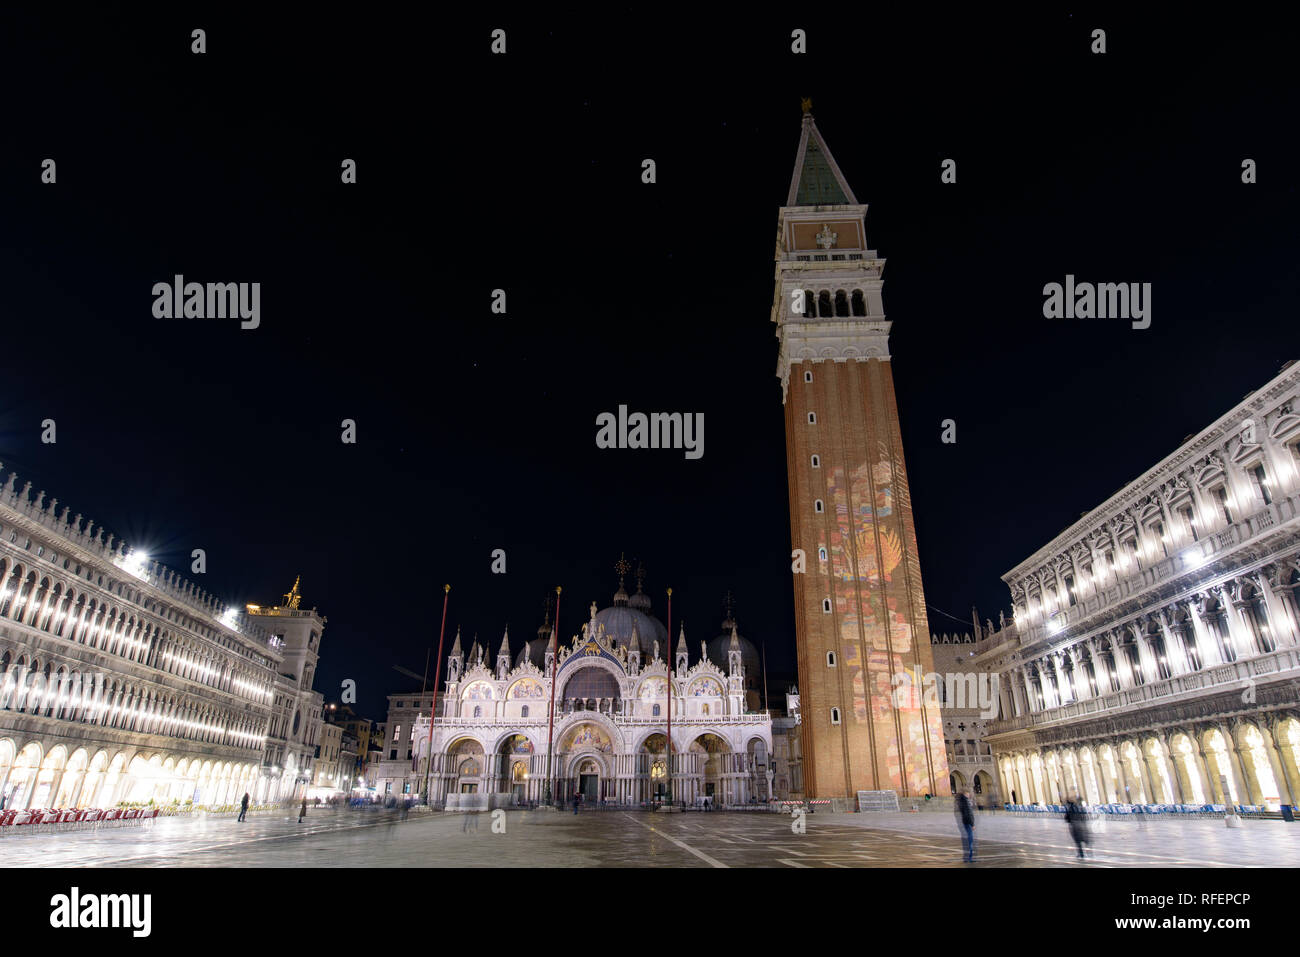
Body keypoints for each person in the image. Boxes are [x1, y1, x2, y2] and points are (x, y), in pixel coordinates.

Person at [954, 788, 976, 862]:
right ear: (966, 794)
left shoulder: (961, 801)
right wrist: (972, 824)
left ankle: (967, 856)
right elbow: (968, 814)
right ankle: (969, 857)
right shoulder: (966, 802)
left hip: (964, 821)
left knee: (967, 839)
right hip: (968, 822)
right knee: (970, 839)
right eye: (968, 793)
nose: (969, 795)